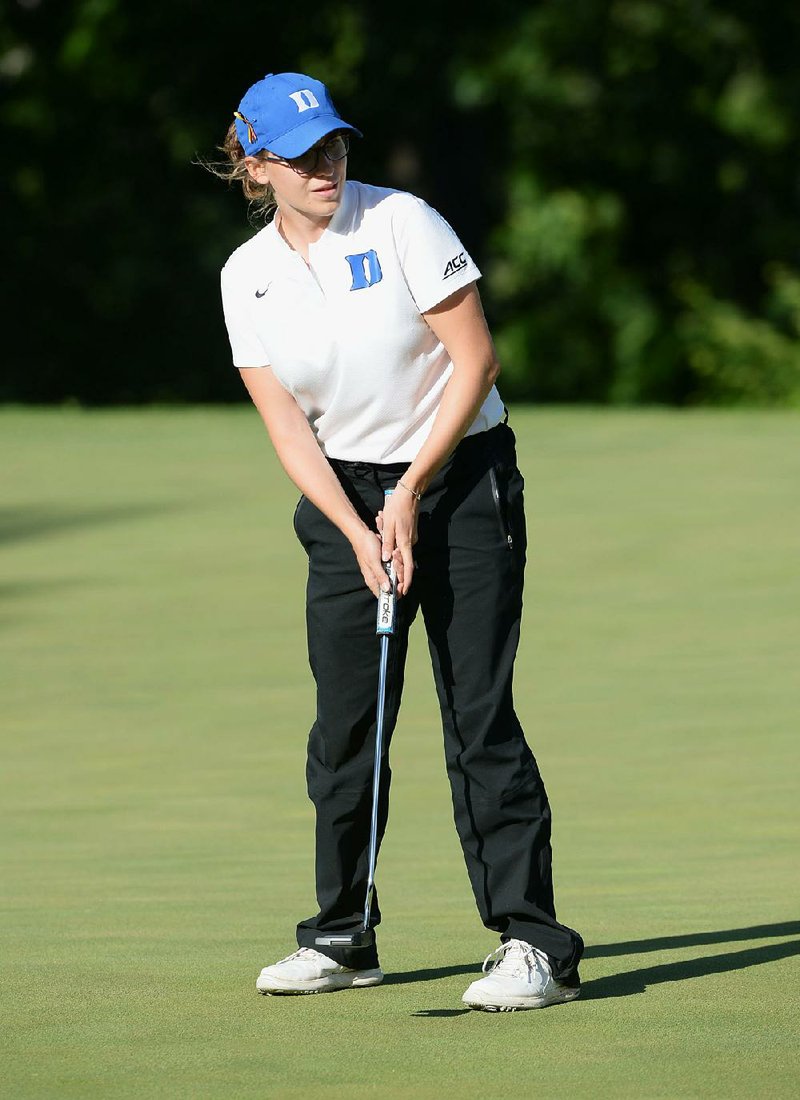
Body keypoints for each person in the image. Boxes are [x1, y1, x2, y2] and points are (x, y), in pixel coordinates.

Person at [216, 71, 583, 1011]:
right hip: (344, 496)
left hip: (459, 480)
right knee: (348, 725)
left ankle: (533, 943)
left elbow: (476, 362)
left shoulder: (401, 223)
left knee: (478, 715)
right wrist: (354, 525)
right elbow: (289, 426)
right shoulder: (245, 276)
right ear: (256, 166)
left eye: (334, 146)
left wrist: (412, 491)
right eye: (302, 157)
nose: (327, 166)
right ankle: (342, 933)